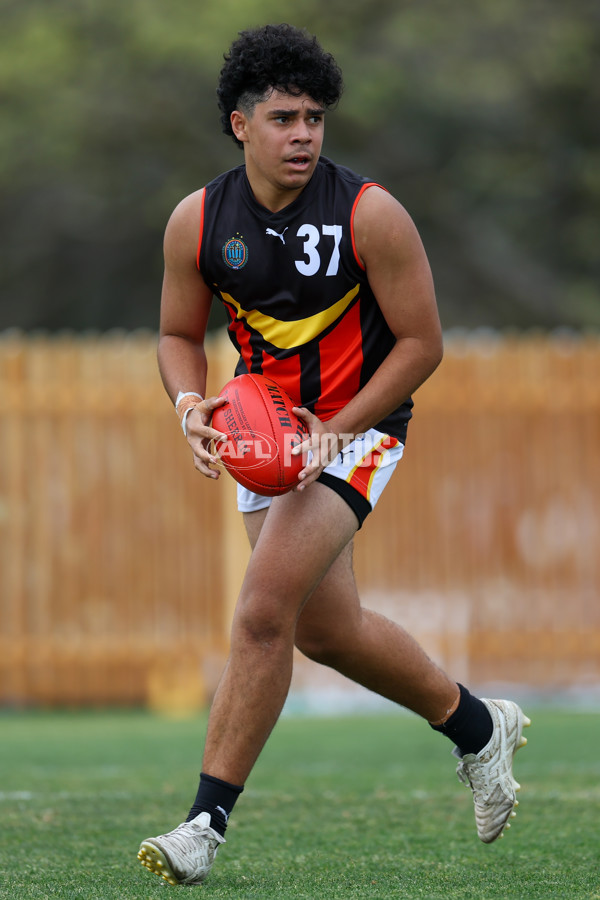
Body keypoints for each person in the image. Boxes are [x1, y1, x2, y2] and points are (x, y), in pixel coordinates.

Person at [138, 23, 530, 887]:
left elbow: (423, 344)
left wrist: (340, 428)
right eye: (284, 118)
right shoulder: (197, 221)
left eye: (315, 117)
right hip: (266, 437)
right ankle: (478, 728)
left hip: (360, 427)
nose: (303, 134)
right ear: (241, 125)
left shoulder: (369, 213)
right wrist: (190, 405)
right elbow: (176, 335)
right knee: (325, 631)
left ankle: (204, 822)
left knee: (261, 611)